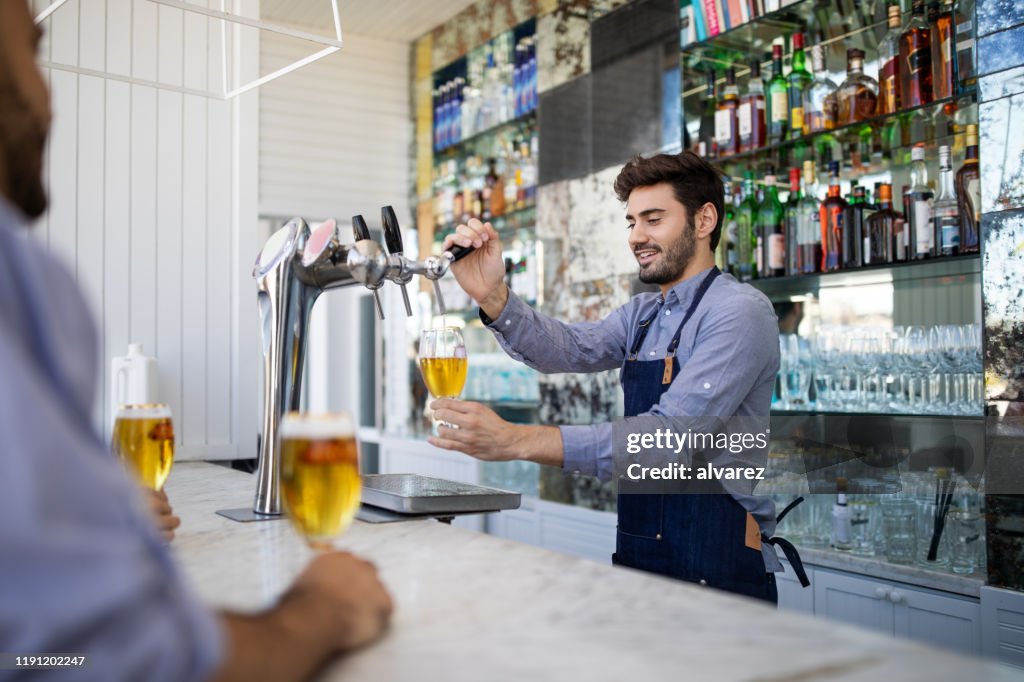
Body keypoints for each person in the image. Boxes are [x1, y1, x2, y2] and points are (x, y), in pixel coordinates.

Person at [0, 1, 392, 679]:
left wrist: (107, 513)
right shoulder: (23, 279)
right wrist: (321, 609)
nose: (48, 94)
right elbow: (91, 658)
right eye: (32, 53)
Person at [430, 151, 808, 602]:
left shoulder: (739, 311)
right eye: (631, 222)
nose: (637, 237)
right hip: (642, 556)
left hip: (718, 566)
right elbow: (567, 348)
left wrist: (517, 441)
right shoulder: (644, 315)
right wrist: (493, 296)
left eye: (653, 219)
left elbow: (667, 439)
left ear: (704, 219)